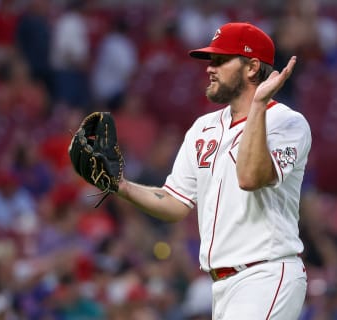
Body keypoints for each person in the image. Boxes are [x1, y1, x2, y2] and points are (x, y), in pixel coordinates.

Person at [115, 22, 312, 319]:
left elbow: (249, 178)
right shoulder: (202, 128)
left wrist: (258, 105)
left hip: (266, 274)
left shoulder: (288, 123)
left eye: (221, 60)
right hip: (221, 285)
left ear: (252, 67)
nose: (210, 68)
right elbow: (174, 203)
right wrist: (120, 185)